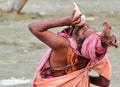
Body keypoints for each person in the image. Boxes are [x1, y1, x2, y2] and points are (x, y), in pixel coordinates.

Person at [28, 4, 118, 87]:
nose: (84, 26)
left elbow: (34, 27)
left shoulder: (64, 45)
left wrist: (65, 21)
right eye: (87, 27)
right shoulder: (95, 54)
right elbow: (104, 82)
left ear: (79, 44)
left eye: (83, 30)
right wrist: (80, 74)